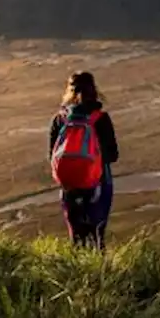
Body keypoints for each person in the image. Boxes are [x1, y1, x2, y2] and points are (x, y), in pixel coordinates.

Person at [48, 71, 119, 250]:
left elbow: (52, 156)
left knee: (76, 237)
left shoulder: (59, 119)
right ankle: (100, 272)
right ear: (94, 90)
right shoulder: (101, 119)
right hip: (99, 183)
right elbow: (113, 155)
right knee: (97, 237)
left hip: (69, 186)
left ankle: (75, 272)